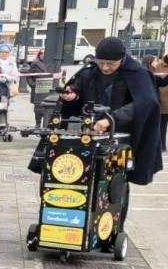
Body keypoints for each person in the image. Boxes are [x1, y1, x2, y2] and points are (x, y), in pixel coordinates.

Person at [59, 37, 162, 185]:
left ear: (122, 59)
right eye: (101, 62)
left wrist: (111, 119)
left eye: (111, 64)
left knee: (115, 184)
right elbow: (77, 91)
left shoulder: (138, 73)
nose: (105, 68)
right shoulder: (90, 71)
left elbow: (145, 103)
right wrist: (72, 96)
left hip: (121, 140)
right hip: (90, 135)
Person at [27, 48, 53, 129]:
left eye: (45, 54)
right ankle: (38, 124)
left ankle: (46, 125)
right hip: (38, 89)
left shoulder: (52, 64)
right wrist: (32, 84)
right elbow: (29, 76)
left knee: (48, 108)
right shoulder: (35, 63)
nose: (43, 55)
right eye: (42, 53)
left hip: (48, 89)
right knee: (38, 109)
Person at [151, 55, 168, 152]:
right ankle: (161, 145)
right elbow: (158, 81)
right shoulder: (159, 65)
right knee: (162, 125)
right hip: (163, 101)